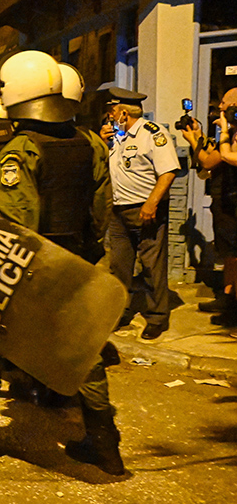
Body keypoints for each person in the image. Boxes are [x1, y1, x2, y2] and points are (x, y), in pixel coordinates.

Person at [0, 51, 124, 477]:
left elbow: (17, 225)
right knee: (85, 352)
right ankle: (105, 446)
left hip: (31, 269)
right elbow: (101, 210)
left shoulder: (20, 150)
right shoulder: (91, 142)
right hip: (76, 266)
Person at [100, 86, 180, 340]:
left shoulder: (153, 134)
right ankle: (119, 311)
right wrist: (102, 142)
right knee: (119, 266)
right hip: (119, 210)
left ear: (124, 113)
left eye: (113, 111)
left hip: (145, 209)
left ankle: (157, 317)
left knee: (151, 266)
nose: (110, 116)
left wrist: (151, 203)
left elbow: (168, 172)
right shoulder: (117, 136)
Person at [184, 89, 237, 326]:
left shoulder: (231, 134)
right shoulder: (230, 132)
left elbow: (211, 160)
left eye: (224, 103)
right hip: (225, 201)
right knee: (229, 256)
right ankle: (227, 299)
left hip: (231, 205)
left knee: (234, 255)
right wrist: (199, 135)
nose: (219, 107)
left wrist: (192, 140)